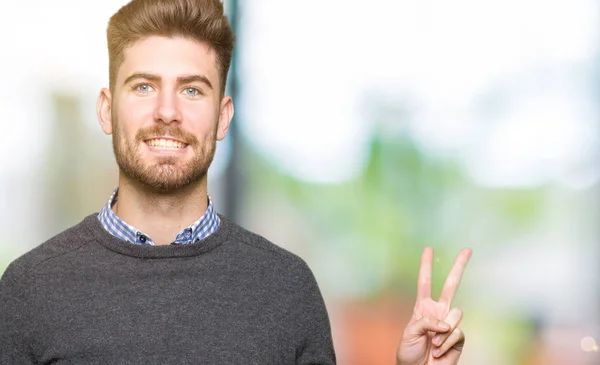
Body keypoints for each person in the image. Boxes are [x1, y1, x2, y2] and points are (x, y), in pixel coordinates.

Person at [0, 0, 472, 364]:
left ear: (222, 117)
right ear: (107, 108)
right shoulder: (28, 290)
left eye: (191, 89)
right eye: (144, 86)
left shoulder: (286, 290)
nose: (167, 111)